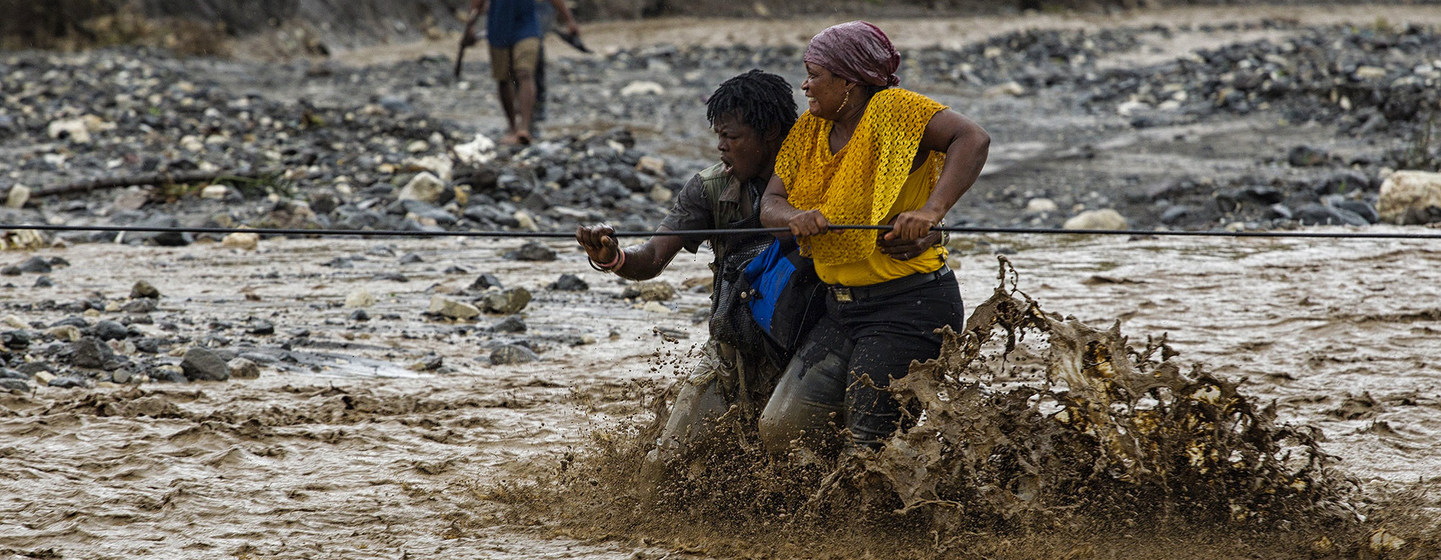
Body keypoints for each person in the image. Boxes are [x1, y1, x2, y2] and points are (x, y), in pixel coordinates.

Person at [576, 70, 943, 472]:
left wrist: (929, 233)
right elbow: (650, 258)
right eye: (718, 136)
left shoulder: (838, 178)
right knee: (664, 466)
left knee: (815, 459)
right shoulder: (710, 189)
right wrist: (612, 255)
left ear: (769, 133)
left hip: (811, 351)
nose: (720, 148)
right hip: (734, 355)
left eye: (731, 137)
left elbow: (905, 230)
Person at [757, 21, 991, 453]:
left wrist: (930, 212)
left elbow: (972, 138)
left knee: (867, 447)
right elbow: (771, 201)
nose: (805, 85)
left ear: (849, 80)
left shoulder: (895, 111)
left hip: (909, 307)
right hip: (840, 307)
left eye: (814, 74)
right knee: (781, 429)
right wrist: (794, 217)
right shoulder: (809, 129)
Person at [466, 0, 578, 144]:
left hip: (527, 27)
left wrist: (569, 20)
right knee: (503, 78)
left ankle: (524, 127)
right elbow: (477, 4)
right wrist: (470, 26)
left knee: (525, 72)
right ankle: (512, 127)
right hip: (498, 28)